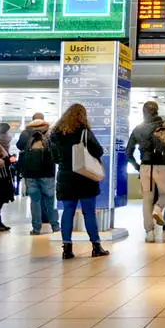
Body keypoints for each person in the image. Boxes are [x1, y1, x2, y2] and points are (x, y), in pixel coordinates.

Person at [50, 103, 109, 260]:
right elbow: (99, 151)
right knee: (88, 212)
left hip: (65, 177)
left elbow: (54, 157)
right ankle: (96, 246)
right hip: (85, 177)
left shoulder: (55, 134)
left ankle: (67, 249)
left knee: (68, 211)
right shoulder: (84, 132)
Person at [128, 100, 165, 242]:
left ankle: (149, 233)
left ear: (143, 112)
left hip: (145, 167)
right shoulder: (164, 126)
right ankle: (158, 210)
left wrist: (137, 167)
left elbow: (128, 153)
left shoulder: (138, 129)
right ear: (157, 111)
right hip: (162, 166)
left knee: (147, 199)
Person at [18, 112, 58, 235]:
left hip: (30, 172)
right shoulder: (50, 132)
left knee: (35, 201)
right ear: (43, 120)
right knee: (50, 200)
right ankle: (55, 227)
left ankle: (36, 229)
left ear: (32, 120)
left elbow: (19, 146)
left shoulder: (25, 133)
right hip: (47, 171)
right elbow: (55, 149)